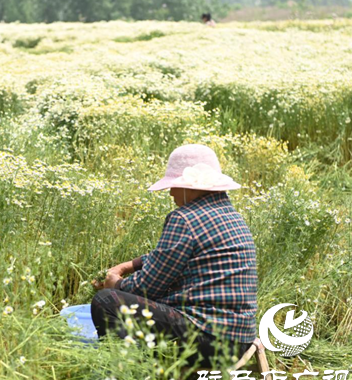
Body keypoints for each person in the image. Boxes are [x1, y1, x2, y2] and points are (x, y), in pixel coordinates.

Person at [91, 144, 257, 368]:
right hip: (238, 342)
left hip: (208, 340)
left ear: (191, 188)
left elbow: (147, 287)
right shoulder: (231, 216)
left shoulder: (185, 218)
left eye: (175, 186)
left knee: (106, 301)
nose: (171, 193)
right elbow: (171, 257)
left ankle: (127, 379)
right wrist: (132, 264)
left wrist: (117, 284)